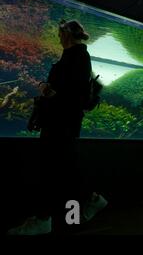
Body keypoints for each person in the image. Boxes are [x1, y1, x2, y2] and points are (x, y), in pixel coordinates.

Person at [8, 20, 107, 235]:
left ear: (67, 34)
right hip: (61, 123)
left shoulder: (78, 57)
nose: (58, 37)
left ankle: (45, 219)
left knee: (51, 169)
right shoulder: (73, 56)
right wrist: (47, 88)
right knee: (64, 168)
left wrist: (51, 92)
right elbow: (69, 89)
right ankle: (87, 203)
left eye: (60, 33)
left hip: (62, 124)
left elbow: (75, 96)